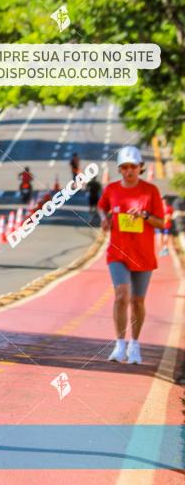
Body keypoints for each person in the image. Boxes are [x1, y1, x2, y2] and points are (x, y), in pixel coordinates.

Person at [97, 145, 164, 365]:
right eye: (124, 167)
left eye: (132, 167)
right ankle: (119, 344)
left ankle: (134, 344)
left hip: (143, 254)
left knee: (137, 301)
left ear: (140, 168)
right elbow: (102, 206)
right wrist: (104, 218)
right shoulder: (112, 189)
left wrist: (144, 215)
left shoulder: (151, 191)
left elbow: (161, 222)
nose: (128, 171)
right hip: (117, 252)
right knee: (121, 295)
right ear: (119, 169)